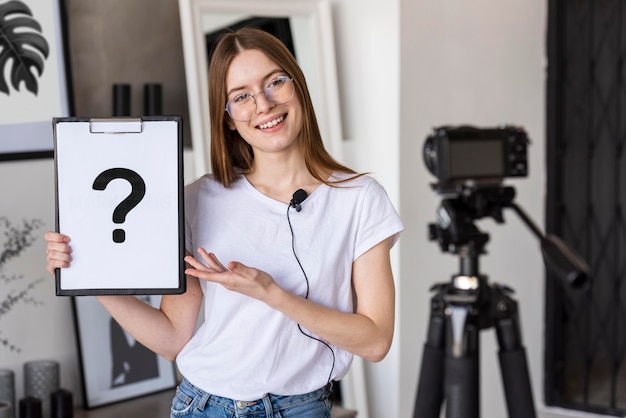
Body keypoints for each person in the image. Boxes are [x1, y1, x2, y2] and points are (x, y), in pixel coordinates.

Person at [46, 27, 404, 417]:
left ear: (298, 87)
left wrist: (273, 293)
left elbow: (375, 341)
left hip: (302, 407)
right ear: (229, 118)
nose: (263, 105)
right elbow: (172, 338)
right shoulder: (199, 200)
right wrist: (88, 276)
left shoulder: (360, 198)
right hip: (203, 405)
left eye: (275, 82)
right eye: (241, 96)